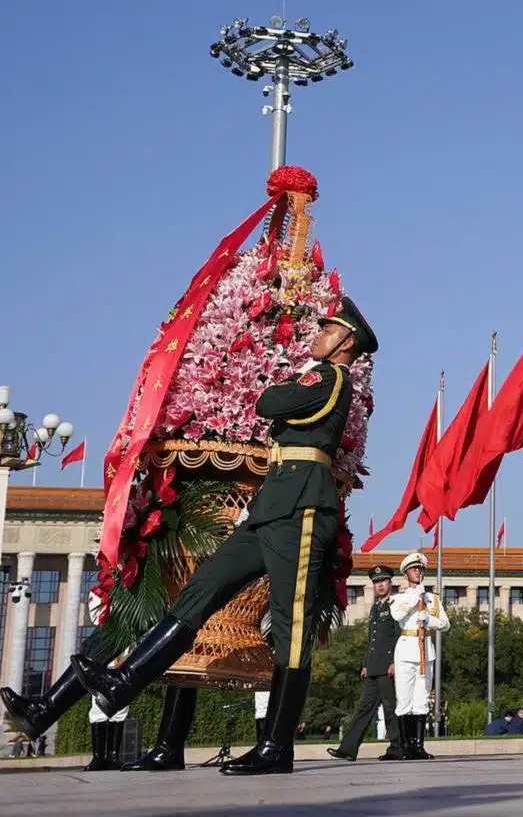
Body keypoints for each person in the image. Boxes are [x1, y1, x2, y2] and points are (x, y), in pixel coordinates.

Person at [71, 297, 378, 777]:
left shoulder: (330, 378)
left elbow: (268, 403)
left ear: (347, 342)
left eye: (326, 331)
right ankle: (124, 682)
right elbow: (276, 413)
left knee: (290, 627)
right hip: (270, 507)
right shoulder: (317, 380)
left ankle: (277, 747)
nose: (316, 336)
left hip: (301, 508)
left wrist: (288, 388)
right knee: (202, 586)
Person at [327, 564, 403, 762]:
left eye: (383, 581)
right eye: (376, 582)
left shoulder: (395, 605)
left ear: (390, 583)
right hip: (373, 668)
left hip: (387, 666)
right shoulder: (375, 608)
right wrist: (365, 664)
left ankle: (397, 748)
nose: (380, 585)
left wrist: (394, 662)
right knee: (364, 708)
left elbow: (398, 636)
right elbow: (372, 640)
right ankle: (348, 749)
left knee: (389, 707)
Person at [389, 552, 450, 761]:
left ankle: (418, 746)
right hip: (406, 650)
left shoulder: (432, 599)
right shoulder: (398, 597)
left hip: (426, 650)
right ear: (406, 573)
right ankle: (405, 746)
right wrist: (416, 598)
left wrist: (429, 621)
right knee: (404, 701)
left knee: (422, 701)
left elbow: (444, 623)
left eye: (421, 569)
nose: (418, 572)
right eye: (415, 569)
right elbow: (397, 616)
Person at [83, 592, 129, 772]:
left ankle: (113, 756)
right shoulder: (99, 591)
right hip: (102, 658)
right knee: (98, 708)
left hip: (123, 658)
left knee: (121, 708)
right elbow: (97, 618)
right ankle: (98, 757)